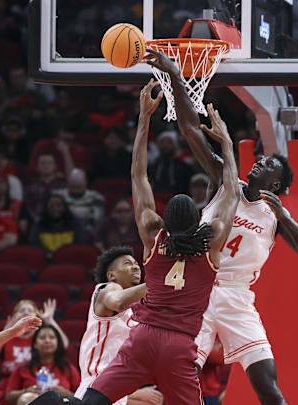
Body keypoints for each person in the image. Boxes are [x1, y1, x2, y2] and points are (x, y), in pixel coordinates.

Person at [145, 48, 298, 405]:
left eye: (269, 163)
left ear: (277, 185)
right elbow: (191, 129)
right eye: (260, 159)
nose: (259, 163)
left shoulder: (274, 215)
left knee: (268, 384)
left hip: (239, 296)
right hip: (200, 285)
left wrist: (285, 218)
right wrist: (175, 75)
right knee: (180, 376)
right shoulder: (226, 183)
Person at [73, 80, 241, 405]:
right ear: (199, 221)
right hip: (179, 345)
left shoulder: (153, 234)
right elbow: (232, 191)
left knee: (93, 399)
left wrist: (144, 118)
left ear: (166, 221)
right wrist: (228, 144)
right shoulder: (212, 241)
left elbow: (139, 176)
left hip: (144, 338)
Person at [73, 245, 163, 405]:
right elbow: (119, 302)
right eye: (127, 263)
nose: (135, 266)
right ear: (111, 275)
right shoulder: (106, 289)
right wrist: (160, 281)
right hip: (95, 387)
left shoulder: (138, 309)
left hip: (117, 391)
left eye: (136, 263)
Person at [5, 325, 81, 405]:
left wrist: (66, 393)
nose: (47, 341)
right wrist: (26, 391)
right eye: (42, 338)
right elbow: (8, 396)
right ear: (35, 344)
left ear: (58, 343)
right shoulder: (22, 368)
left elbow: (82, 397)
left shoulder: (69, 368)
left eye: (51, 337)